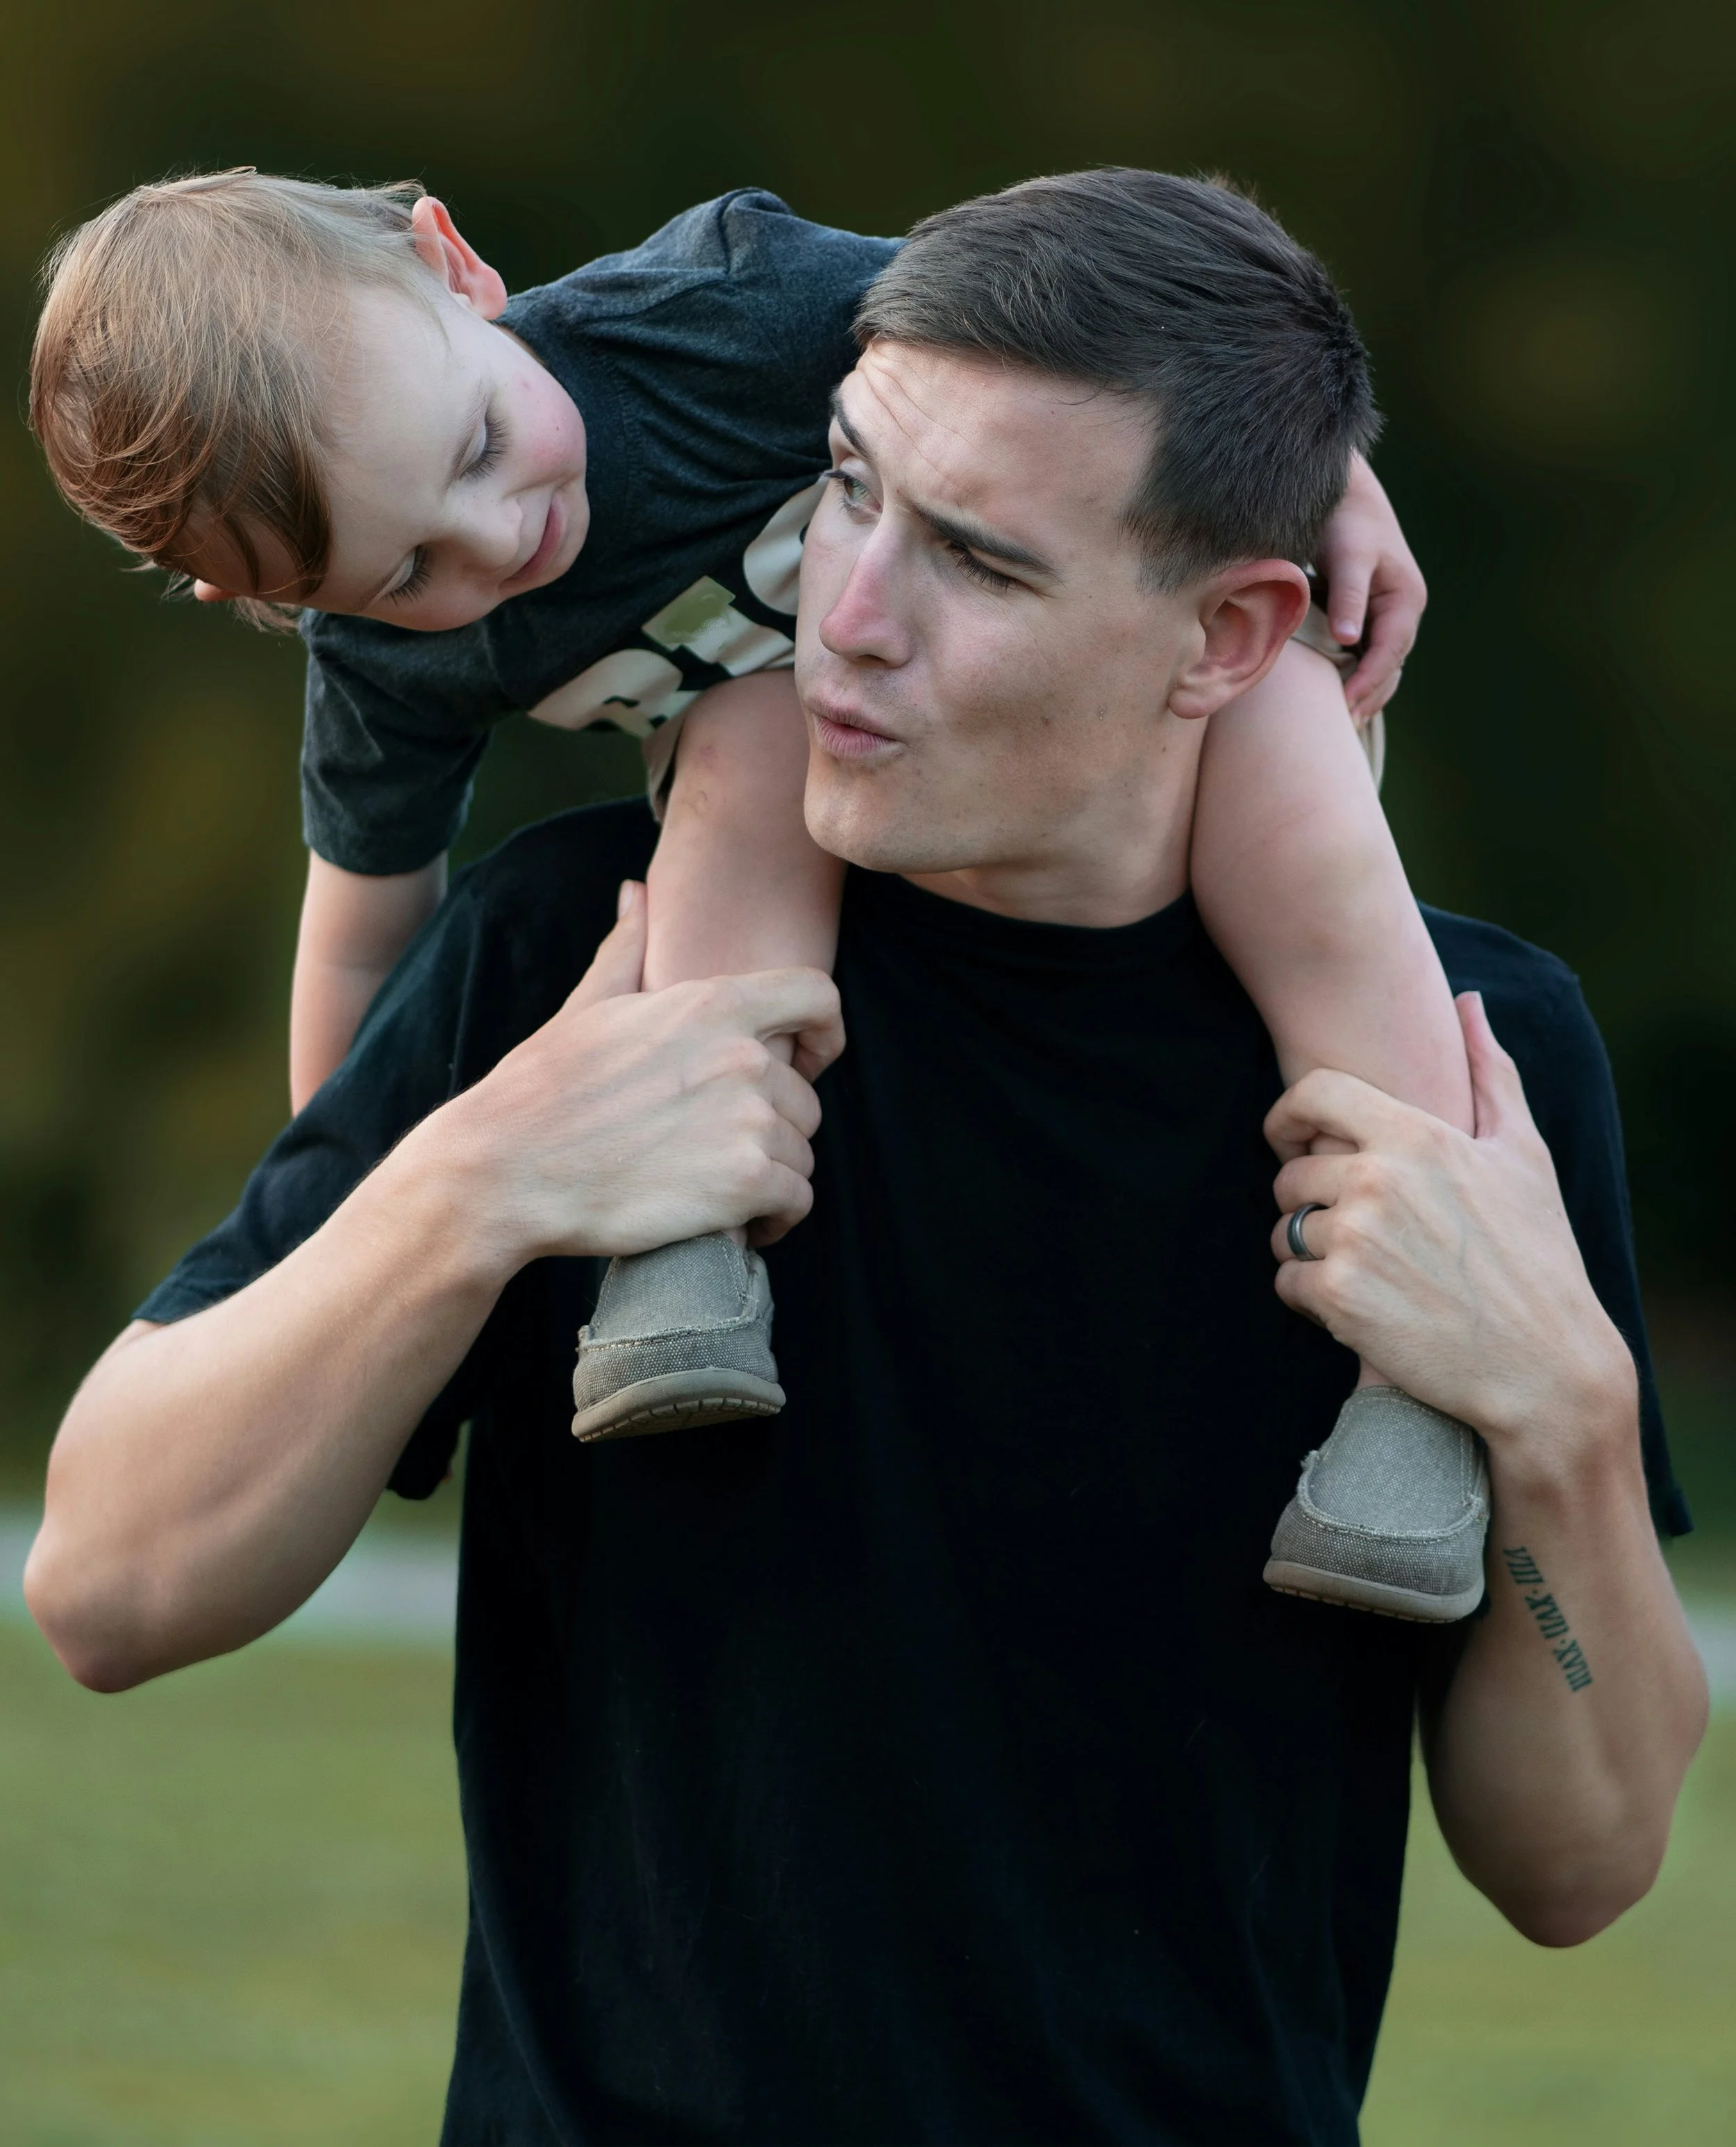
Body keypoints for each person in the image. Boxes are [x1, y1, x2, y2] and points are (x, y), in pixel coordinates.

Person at [26, 174, 1706, 2146]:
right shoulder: (585, 965)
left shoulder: (1469, 1069)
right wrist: (484, 1173)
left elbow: (1577, 1867)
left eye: (977, 563)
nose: (842, 610)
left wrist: (1561, 1411)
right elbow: (109, 1586)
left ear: (1225, 630)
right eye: (840, 487)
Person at [33, 167, 1472, 1611]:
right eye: (405, 567)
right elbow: (358, 935)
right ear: (279, 601)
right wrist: (358, 1228)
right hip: (822, 747)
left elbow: (1108, 354)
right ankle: (684, 1261)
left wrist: (1329, 484)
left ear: (454, 265)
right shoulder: (381, 659)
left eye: (478, 442)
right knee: (742, 727)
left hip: (1145, 691)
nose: (497, 542)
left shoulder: (717, 310)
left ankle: (1418, 1378)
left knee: (1301, 820)